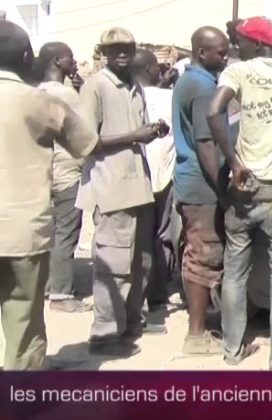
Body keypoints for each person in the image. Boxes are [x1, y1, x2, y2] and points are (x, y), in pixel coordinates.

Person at [0, 22, 97, 369]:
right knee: (23, 316)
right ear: (27, 57)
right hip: (22, 230)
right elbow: (85, 143)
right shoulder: (41, 102)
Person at [207, 16, 272, 368]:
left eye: (242, 41)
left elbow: (214, 112)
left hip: (244, 186)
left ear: (257, 44)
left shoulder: (238, 72)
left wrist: (234, 162)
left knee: (235, 270)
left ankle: (232, 350)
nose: (237, 46)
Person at [77, 27, 167, 357]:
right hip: (111, 186)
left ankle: (129, 323)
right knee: (112, 263)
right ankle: (104, 333)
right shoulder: (96, 86)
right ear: (104, 51)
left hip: (138, 185)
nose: (122, 54)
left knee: (139, 263)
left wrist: (152, 132)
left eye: (127, 48)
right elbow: (85, 141)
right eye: (115, 49)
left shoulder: (133, 85)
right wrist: (134, 136)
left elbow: (138, 134)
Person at [171, 26, 231, 355]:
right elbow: (206, 144)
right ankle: (196, 335)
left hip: (191, 179)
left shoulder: (192, 80)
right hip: (201, 182)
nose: (225, 56)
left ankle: (202, 325)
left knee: (198, 251)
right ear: (201, 52)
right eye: (220, 52)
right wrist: (222, 189)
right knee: (204, 254)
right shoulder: (202, 86)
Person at [34, 42, 91, 313]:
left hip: (42, 172)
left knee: (49, 231)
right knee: (67, 232)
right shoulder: (66, 95)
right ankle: (61, 294)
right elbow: (82, 133)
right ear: (57, 60)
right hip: (67, 171)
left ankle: (48, 285)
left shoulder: (35, 92)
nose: (75, 61)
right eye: (70, 56)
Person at [133, 49, 178, 314]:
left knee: (137, 237)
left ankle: (135, 296)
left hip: (136, 177)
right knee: (161, 236)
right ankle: (158, 296)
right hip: (164, 176)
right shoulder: (170, 97)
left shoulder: (130, 97)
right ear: (151, 68)